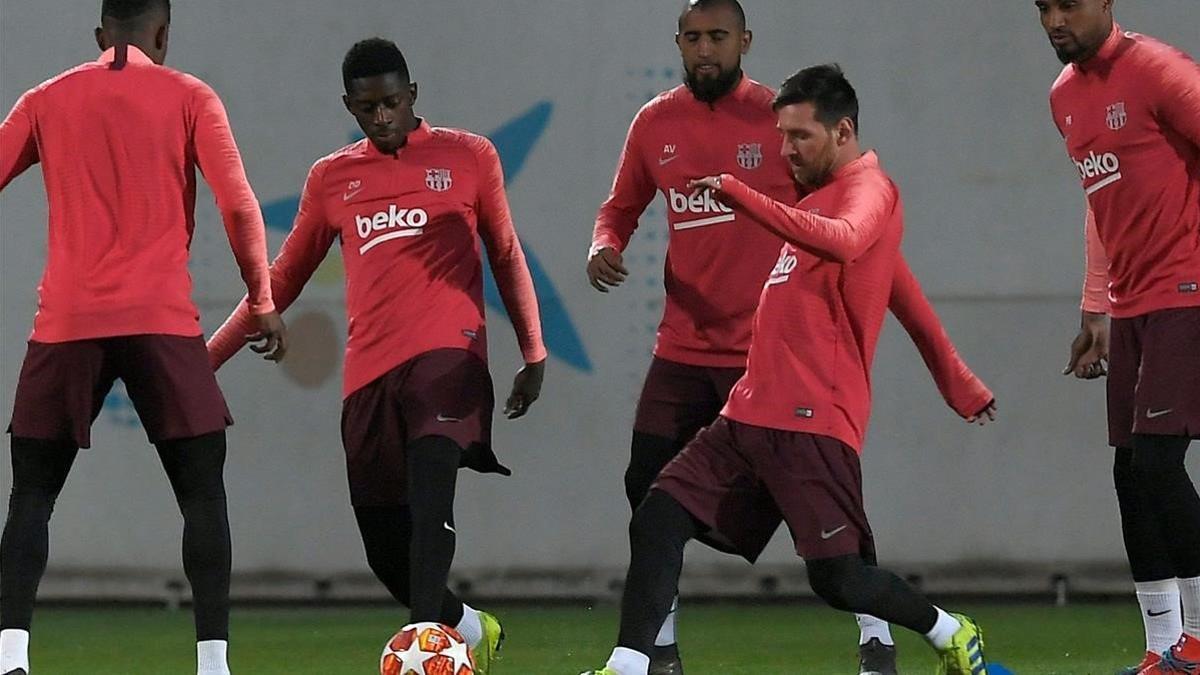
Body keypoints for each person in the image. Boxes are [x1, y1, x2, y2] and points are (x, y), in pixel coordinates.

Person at [588, 3, 995, 673]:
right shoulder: (781, 181)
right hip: (741, 399)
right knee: (654, 508)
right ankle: (636, 663)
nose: (786, 151)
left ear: (842, 132)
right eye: (782, 137)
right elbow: (621, 206)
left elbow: (855, 250)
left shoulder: (867, 191)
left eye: (799, 138)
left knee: (835, 576)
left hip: (810, 415)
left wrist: (739, 193)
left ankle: (942, 628)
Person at [206, 37, 545, 675]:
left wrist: (533, 350)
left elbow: (504, 250)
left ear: (413, 94)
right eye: (368, 108)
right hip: (370, 374)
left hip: (451, 357)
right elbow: (280, 279)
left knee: (431, 498)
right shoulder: (333, 177)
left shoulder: (470, 157)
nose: (382, 117)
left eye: (392, 102)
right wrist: (203, 364)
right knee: (385, 548)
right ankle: (469, 627)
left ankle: (424, 654)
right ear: (350, 107)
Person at [0, 2, 286, 674]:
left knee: (31, 494)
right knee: (202, 491)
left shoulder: (46, 99)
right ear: (162, 35)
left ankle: (10, 655)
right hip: (160, 318)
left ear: (100, 36)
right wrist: (261, 297)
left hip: (67, 321)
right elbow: (237, 201)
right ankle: (212, 663)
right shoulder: (190, 96)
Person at [1038, 1, 1200, 672]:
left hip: (1188, 292)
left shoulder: (1161, 71)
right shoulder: (1065, 96)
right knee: (1131, 472)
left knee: (1158, 463)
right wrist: (1095, 306)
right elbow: (1100, 202)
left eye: (1067, 5)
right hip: (1132, 307)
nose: (1053, 19)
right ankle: (1165, 647)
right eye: (1042, 8)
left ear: (1105, 3)